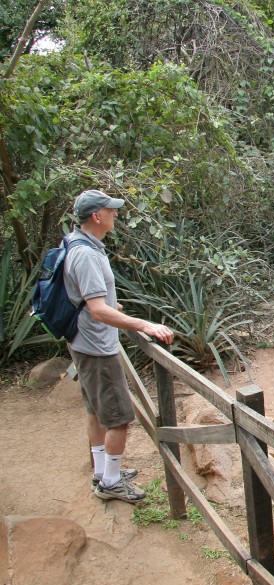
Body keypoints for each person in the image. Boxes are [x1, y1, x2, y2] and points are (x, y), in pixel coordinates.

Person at [64, 189, 175, 503]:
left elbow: (90, 301)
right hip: (97, 347)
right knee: (118, 417)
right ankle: (111, 482)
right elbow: (97, 309)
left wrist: (112, 306)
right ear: (97, 217)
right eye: (110, 210)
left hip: (82, 342)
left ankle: (103, 473)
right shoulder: (86, 253)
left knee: (95, 412)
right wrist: (144, 324)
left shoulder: (77, 243)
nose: (116, 214)